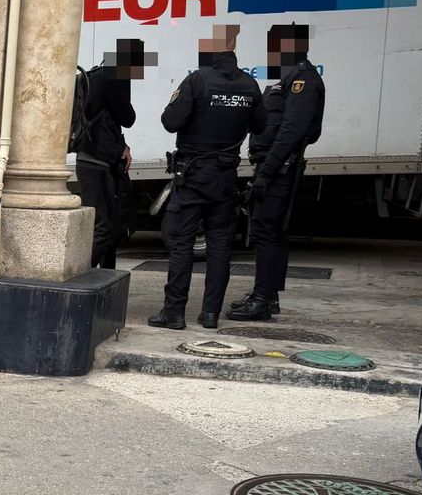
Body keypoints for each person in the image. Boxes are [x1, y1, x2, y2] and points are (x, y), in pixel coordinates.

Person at [148, 24, 266, 331]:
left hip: (193, 175)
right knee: (219, 246)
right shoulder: (250, 85)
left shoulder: (197, 80)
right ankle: (210, 314)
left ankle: (174, 313)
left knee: (181, 244)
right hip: (226, 178)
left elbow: (170, 122)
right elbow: (261, 126)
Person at [229, 24, 326, 322]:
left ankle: (263, 299)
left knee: (267, 231)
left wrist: (267, 172)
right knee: (267, 231)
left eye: (276, 45)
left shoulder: (303, 80)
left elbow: (291, 131)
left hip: (280, 169)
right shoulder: (287, 78)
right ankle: (267, 295)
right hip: (273, 167)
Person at [75, 39, 149, 269]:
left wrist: (122, 146)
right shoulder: (115, 76)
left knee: (109, 226)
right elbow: (127, 117)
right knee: (107, 228)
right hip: (99, 161)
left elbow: (107, 118)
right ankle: (79, 277)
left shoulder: (96, 75)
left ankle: (104, 278)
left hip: (90, 158)